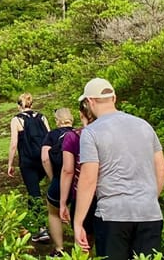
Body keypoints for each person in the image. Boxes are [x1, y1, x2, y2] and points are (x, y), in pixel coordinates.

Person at [73, 78, 164, 260]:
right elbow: (161, 169)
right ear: (114, 98)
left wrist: (78, 223)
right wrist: (147, 198)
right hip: (150, 213)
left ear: (89, 102)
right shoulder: (144, 126)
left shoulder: (91, 132)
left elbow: (88, 179)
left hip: (112, 216)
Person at [7, 92, 51, 242]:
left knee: (34, 193)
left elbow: (13, 144)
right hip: (43, 161)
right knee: (34, 191)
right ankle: (33, 222)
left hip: (28, 162)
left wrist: (10, 163)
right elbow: (50, 138)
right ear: (31, 104)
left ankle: (42, 228)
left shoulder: (16, 120)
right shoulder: (42, 117)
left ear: (19, 105)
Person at [59, 99, 99, 255]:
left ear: (81, 114)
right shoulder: (109, 134)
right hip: (108, 195)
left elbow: (68, 170)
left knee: (83, 242)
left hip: (82, 195)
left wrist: (63, 202)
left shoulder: (73, 137)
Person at [40, 108, 75, 256]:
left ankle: (59, 249)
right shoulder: (79, 133)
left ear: (56, 120)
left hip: (60, 179)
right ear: (72, 119)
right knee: (81, 212)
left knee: (53, 213)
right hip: (80, 181)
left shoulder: (51, 135)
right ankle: (81, 249)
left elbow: (45, 158)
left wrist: (52, 177)